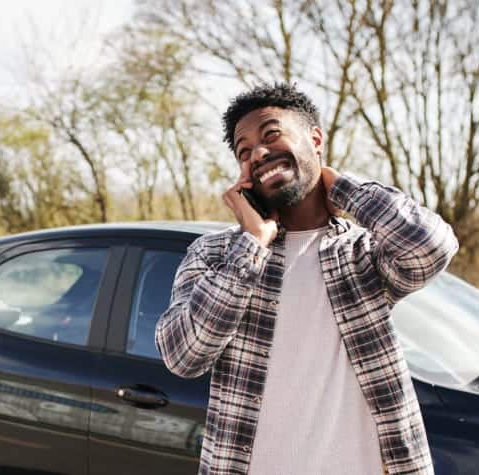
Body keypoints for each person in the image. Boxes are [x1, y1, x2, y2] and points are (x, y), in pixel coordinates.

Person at [155, 83, 459, 475]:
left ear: (315, 139)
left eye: (271, 135)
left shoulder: (361, 254)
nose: (258, 154)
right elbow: (183, 355)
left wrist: (341, 188)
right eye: (243, 151)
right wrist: (252, 245)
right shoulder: (216, 255)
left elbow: (429, 247)